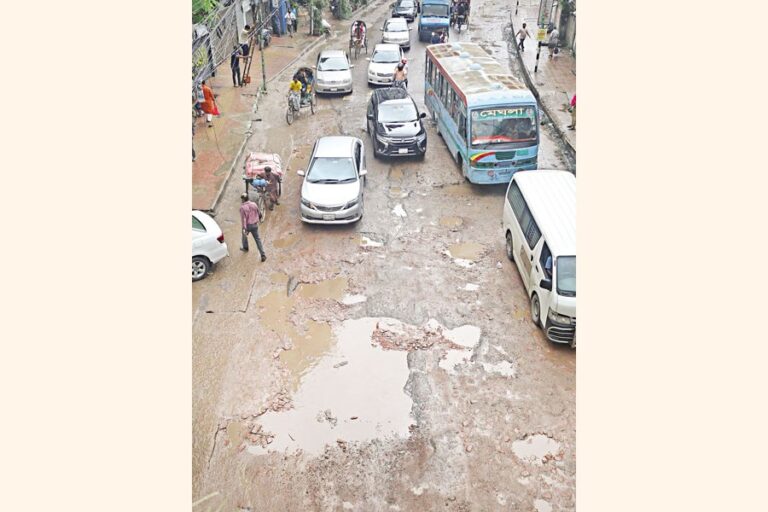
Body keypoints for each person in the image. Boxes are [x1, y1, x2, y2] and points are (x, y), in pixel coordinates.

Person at [240, 193, 267, 261]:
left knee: (244, 236)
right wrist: (259, 218)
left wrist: (244, 228)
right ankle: (263, 255)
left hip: (248, 226)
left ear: (243, 199)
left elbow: (243, 219)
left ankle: (245, 247)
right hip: (255, 225)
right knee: (258, 240)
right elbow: (259, 212)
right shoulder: (254, 204)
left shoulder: (242, 208)